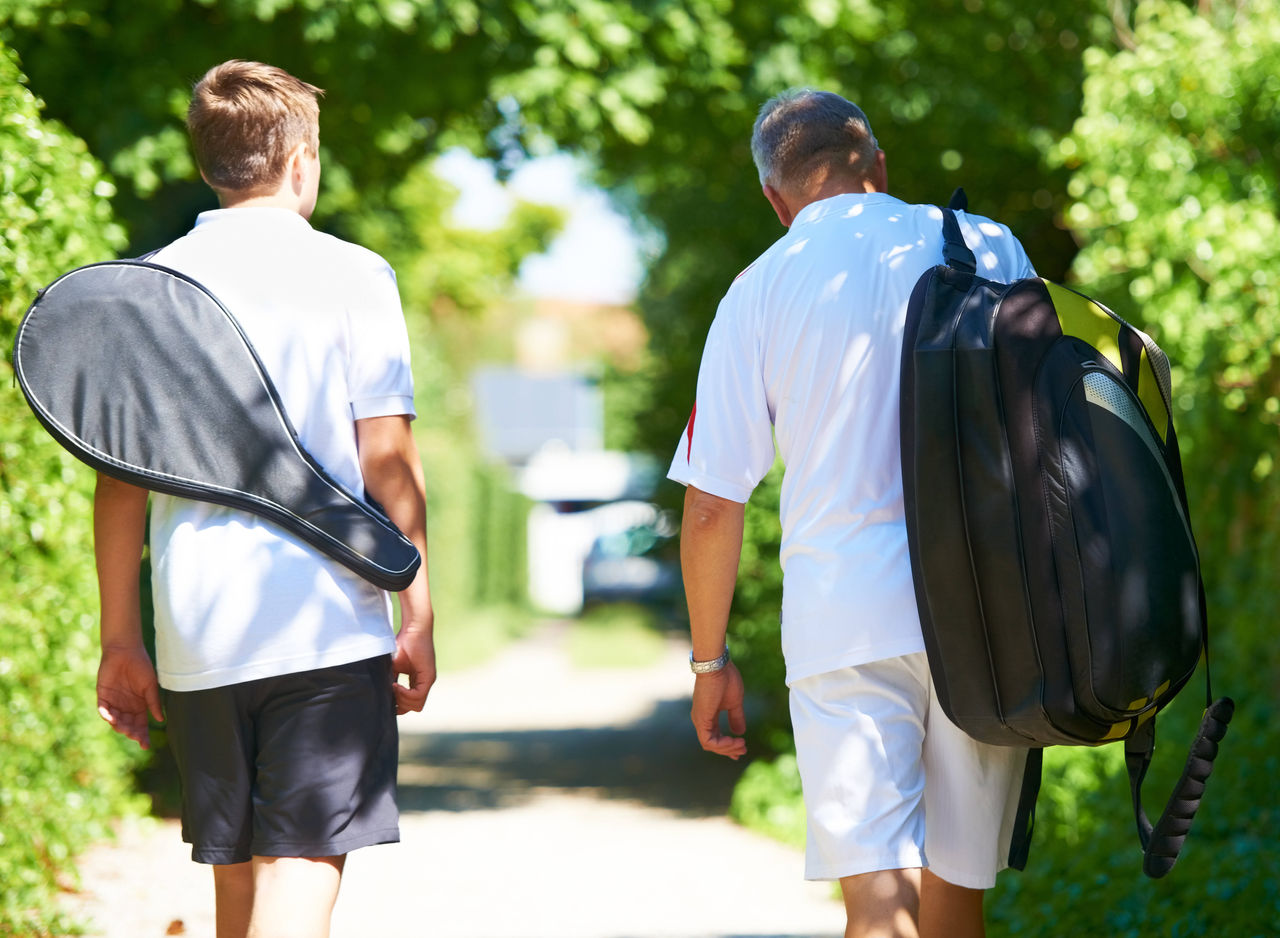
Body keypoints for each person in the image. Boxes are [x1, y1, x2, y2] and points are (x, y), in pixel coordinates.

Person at [669, 89, 1034, 938]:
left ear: (775, 198)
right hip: (987, 615)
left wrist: (708, 660)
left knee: (877, 904)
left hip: (845, 623)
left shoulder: (758, 289)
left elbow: (713, 505)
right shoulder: (987, 246)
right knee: (956, 899)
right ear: (880, 162)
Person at [93, 60, 435, 938]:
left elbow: (119, 478)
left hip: (197, 625)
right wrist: (418, 609)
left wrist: (120, 640)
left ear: (207, 161)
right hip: (323, 619)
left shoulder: (150, 288)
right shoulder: (355, 274)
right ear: (302, 159)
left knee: (240, 875)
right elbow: (387, 457)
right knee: (298, 869)